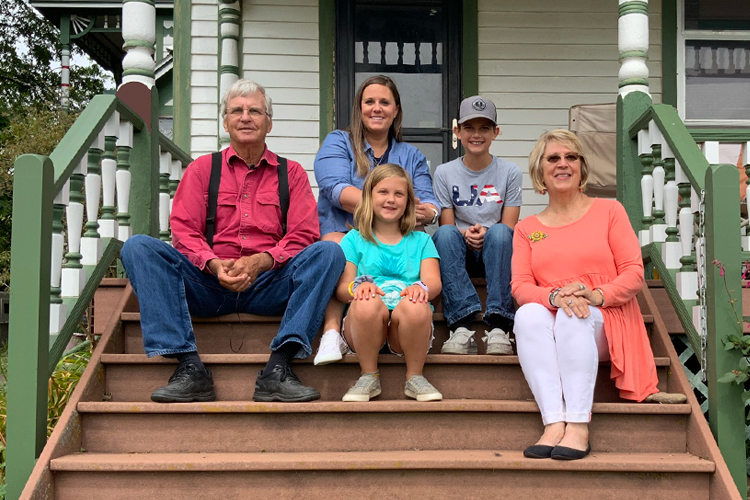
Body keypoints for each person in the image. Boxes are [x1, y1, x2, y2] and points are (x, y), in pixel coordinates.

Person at [120, 79, 345, 403]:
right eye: (236, 111)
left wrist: (261, 261)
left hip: (270, 283)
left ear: (269, 122)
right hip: (208, 284)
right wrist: (212, 263)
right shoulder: (202, 170)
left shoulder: (291, 173)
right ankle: (189, 368)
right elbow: (184, 231)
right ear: (225, 121)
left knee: (329, 252)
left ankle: (278, 369)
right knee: (138, 247)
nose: (245, 117)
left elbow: (303, 235)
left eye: (255, 110)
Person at [511, 129, 665, 461]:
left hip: (606, 318)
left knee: (573, 314)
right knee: (527, 315)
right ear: (540, 171)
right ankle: (553, 422)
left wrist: (594, 295)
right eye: (553, 158)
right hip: (555, 314)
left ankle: (578, 425)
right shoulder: (526, 229)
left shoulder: (609, 212)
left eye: (571, 157)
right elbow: (521, 287)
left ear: (582, 167)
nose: (562, 164)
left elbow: (634, 274)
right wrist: (554, 297)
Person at [312, 75, 441, 365]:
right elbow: (336, 190)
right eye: (369, 102)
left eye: (385, 102)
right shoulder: (339, 142)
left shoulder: (411, 155)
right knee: (334, 250)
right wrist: (392, 205)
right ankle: (332, 331)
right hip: (343, 231)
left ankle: (401, 324)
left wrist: (427, 212)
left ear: (396, 110)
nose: (377, 108)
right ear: (359, 108)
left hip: (394, 235)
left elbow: (429, 202)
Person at [335, 164, 442, 402]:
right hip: (363, 326)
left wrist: (421, 288)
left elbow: (433, 281)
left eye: (399, 194)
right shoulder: (353, 240)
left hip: (406, 329)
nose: (390, 200)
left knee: (416, 303)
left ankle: (415, 376)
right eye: (383, 192)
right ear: (369, 197)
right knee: (366, 300)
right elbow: (342, 288)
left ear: (408, 201)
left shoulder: (422, 240)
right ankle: (368, 376)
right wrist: (356, 288)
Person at [432, 96, 522, 355]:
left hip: (497, 249)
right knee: (445, 234)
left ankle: (499, 325)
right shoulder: (445, 172)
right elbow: (447, 223)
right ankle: (461, 325)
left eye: (484, 128)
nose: (476, 134)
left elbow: (509, 224)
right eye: (469, 127)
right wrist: (468, 234)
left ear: (495, 132)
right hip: (459, 251)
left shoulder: (510, 172)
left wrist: (486, 232)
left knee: (502, 232)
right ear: (457, 131)